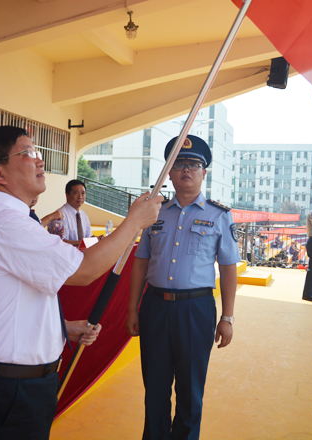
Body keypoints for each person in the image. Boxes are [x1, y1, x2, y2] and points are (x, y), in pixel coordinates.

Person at [0, 125, 163, 440]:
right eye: (28, 153)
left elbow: (13, 301)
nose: (40, 160)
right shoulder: (4, 222)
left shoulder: (12, 219)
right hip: (10, 390)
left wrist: (61, 326)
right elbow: (84, 271)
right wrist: (134, 221)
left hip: (20, 385)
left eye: (37, 152)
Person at [126, 135, 240, 440]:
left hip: (196, 309)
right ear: (169, 173)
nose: (186, 170)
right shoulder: (154, 212)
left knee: (190, 391)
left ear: (204, 173)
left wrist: (227, 318)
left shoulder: (219, 215)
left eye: (193, 164)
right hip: (155, 307)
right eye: (178, 165)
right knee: (155, 387)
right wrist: (132, 308)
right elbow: (141, 262)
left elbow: (228, 268)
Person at [58, 179, 94, 245]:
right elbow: (61, 242)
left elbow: (88, 236)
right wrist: (84, 242)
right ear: (67, 195)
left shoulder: (83, 215)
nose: (80, 197)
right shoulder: (60, 215)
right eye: (76, 193)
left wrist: (96, 238)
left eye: (83, 193)